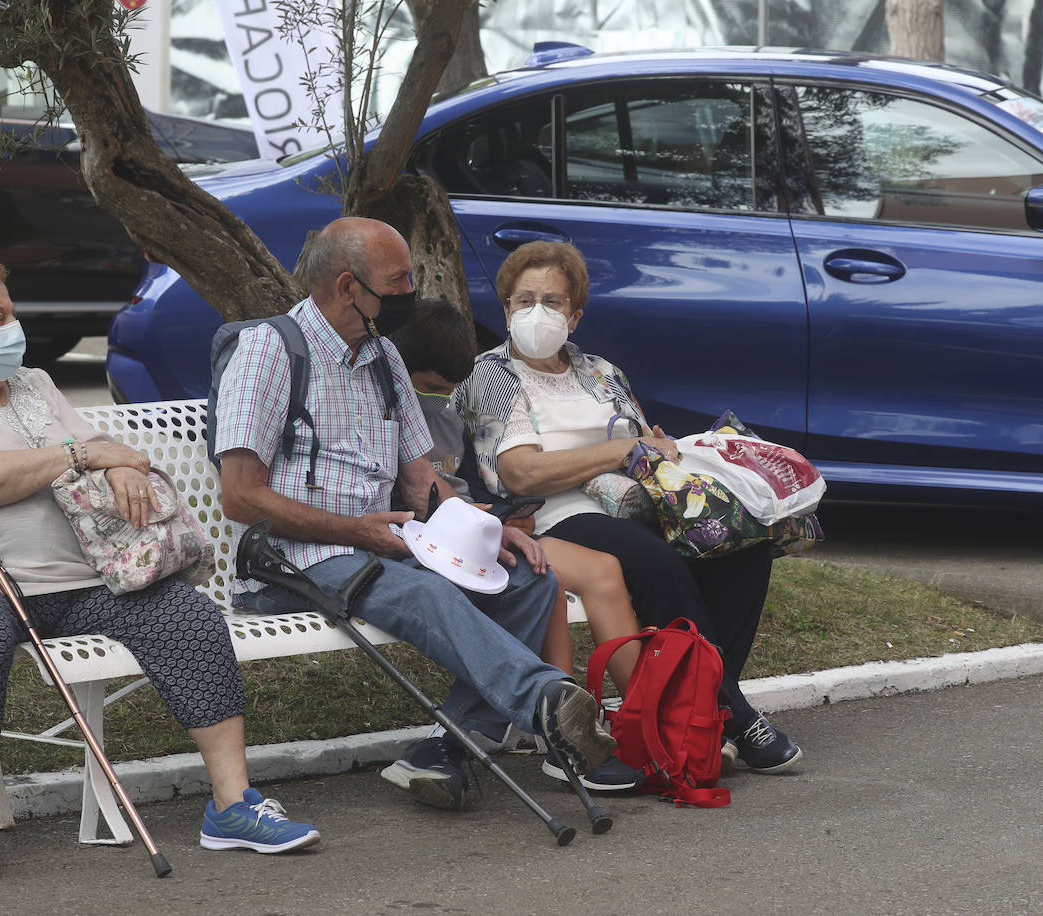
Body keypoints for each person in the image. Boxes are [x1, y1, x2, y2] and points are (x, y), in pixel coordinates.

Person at [0, 246, 319, 879]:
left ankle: (232, 805)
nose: (13, 328)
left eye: (11, 313)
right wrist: (82, 455)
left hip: (78, 579)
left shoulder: (34, 385)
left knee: (185, 615)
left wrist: (111, 461)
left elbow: (102, 447)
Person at [216, 217, 616, 812]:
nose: (410, 293)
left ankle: (442, 751)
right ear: (349, 286)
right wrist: (359, 531)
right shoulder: (269, 352)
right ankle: (549, 702)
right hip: (291, 561)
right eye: (398, 280)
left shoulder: (383, 356)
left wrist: (483, 528)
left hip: (387, 544)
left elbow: (418, 475)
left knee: (528, 579)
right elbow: (240, 496)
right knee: (428, 596)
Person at [453, 240, 802, 773]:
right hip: (548, 515)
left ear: (576, 315)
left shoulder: (601, 372)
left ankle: (703, 707)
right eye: (524, 301)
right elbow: (519, 471)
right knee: (652, 559)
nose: (537, 312)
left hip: (632, 503)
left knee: (741, 552)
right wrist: (618, 451)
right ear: (505, 309)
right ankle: (729, 714)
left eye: (552, 301)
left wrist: (652, 447)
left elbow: (642, 439)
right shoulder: (493, 375)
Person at [387, 298, 644, 792]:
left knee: (535, 576)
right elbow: (414, 495)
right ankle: (556, 733)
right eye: (431, 387)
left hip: (472, 531)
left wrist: (502, 518)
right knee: (529, 582)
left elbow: (465, 484)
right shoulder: (398, 409)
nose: (439, 398)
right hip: (422, 541)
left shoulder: (445, 412)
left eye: (447, 390)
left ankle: (574, 730)